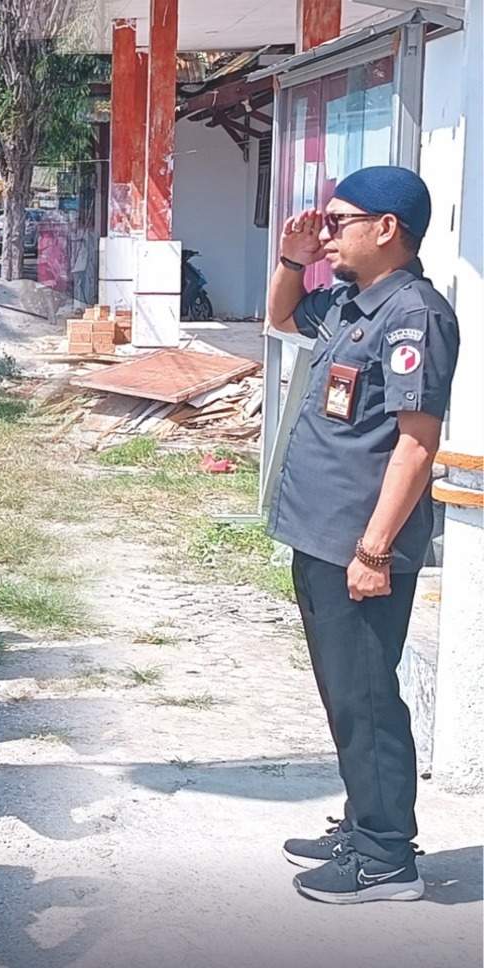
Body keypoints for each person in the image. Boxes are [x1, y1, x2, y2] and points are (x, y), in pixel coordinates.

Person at [265, 165, 459, 905]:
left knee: (369, 698)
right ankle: (364, 822)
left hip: (359, 545)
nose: (327, 233)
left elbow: (416, 443)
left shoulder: (414, 316)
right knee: (346, 694)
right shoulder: (354, 301)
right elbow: (283, 318)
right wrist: (293, 260)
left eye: (337, 221)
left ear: (386, 228)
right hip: (321, 533)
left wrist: (374, 551)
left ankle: (386, 859)